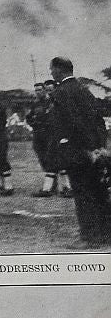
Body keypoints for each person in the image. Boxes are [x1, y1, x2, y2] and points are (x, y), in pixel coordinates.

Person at [48, 56, 111, 247]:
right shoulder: (84, 90)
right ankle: (106, 233)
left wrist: (88, 149)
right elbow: (98, 120)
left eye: (52, 69)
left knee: (83, 194)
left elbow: (74, 123)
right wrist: (99, 147)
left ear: (59, 70)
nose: (50, 72)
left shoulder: (61, 92)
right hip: (94, 150)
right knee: (97, 191)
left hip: (78, 151)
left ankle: (90, 238)